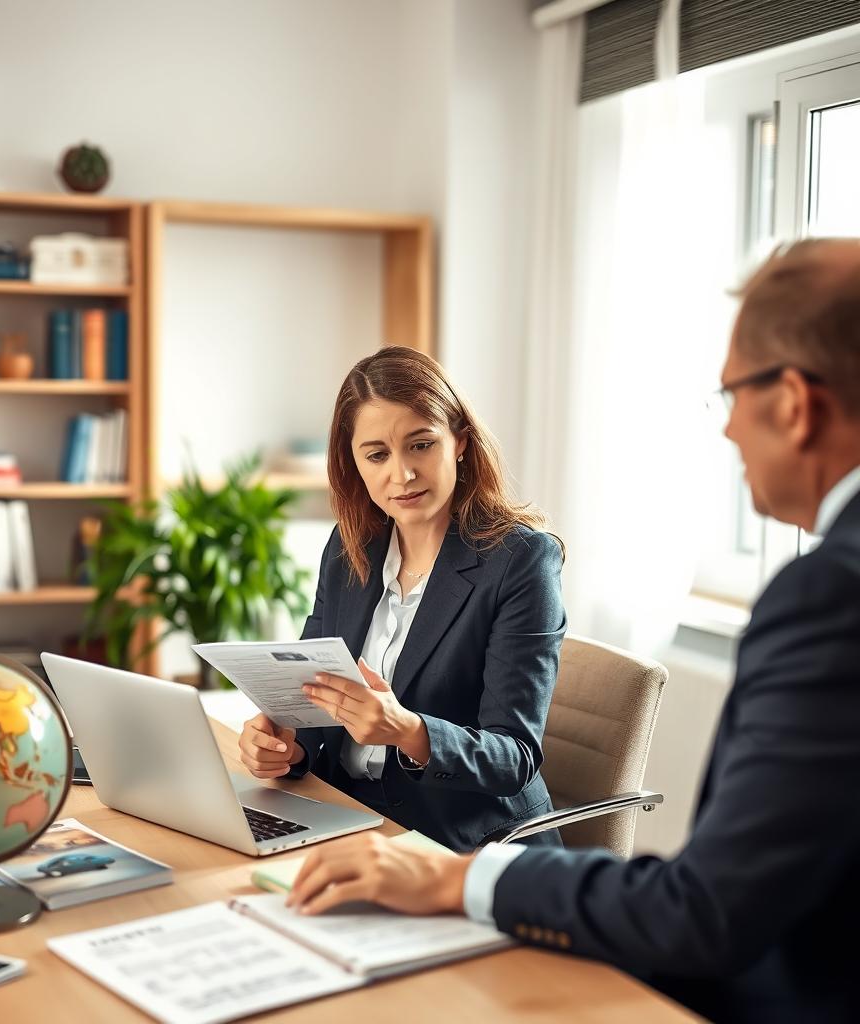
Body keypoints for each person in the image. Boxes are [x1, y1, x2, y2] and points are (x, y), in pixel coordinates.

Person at [286, 239, 860, 1022]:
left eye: (729, 396)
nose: (726, 433)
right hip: (353, 832)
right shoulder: (349, 550)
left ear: (793, 403)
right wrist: (288, 737)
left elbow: (711, 911)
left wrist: (455, 872)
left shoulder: (827, 594)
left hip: (463, 851)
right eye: (376, 454)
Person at [238, 346, 566, 852]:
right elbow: (309, 700)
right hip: (347, 819)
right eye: (377, 455)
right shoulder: (350, 549)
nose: (402, 474)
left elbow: (514, 758)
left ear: (459, 441)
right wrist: (284, 747)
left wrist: (408, 730)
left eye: (420, 445)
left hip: (461, 841)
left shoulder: (520, 561)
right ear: (355, 464)